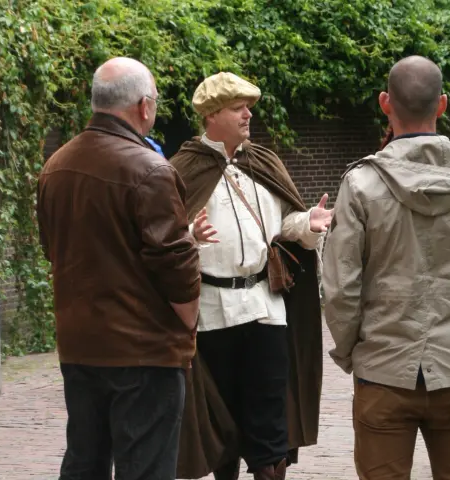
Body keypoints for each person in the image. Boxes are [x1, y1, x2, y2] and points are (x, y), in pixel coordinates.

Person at [322, 55, 450, 480]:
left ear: (385, 103)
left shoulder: (361, 183)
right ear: (443, 104)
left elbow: (340, 286)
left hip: (383, 367)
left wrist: (352, 349)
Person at [36, 57, 200, 480]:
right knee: (145, 468)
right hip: (144, 351)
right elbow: (176, 263)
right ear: (144, 106)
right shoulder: (150, 169)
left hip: (80, 345)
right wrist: (188, 323)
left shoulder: (56, 166)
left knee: (84, 462)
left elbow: (52, 249)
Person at [169, 72, 329, 480]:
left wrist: (307, 223)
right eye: (238, 107)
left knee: (270, 420)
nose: (248, 115)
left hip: (264, 307)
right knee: (221, 418)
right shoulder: (181, 171)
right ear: (211, 115)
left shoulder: (263, 162)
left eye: (249, 107)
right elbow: (163, 239)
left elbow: (284, 224)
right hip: (211, 313)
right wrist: (190, 236)